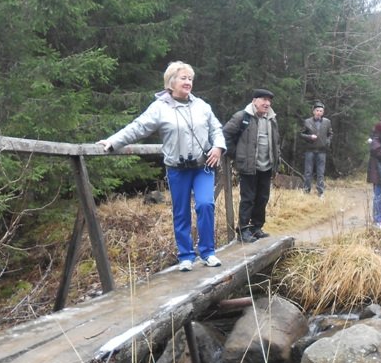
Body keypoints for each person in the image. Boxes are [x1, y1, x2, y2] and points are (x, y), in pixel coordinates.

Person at [97, 61, 225, 272]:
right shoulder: (159, 108)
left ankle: (208, 252)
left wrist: (218, 147)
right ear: (171, 82)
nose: (188, 82)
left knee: (205, 205)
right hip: (177, 168)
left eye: (190, 79)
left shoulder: (202, 106)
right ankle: (186, 256)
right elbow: (138, 128)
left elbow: (216, 129)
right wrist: (113, 141)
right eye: (183, 78)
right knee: (181, 211)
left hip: (203, 166)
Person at [223, 88, 280, 244]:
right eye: (263, 99)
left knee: (262, 198)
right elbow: (226, 135)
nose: (267, 103)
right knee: (248, 198)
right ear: (254, 100)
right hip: (248, 166)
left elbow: (275, 142)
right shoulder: (242, 117)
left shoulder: (272, 119)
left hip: (266, 166)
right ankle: (243, 230)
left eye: (269, 100)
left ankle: (256, 227)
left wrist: (276, 161)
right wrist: (236, 155)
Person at [300, 101, 333, 197]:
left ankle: (321, 192)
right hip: (310, 150)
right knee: (308, 172)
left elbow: (330, 134)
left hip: (322, 151)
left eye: (321, 111)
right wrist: (309, 137)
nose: (319, 112)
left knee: (320, 173)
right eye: (317, 110)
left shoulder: (327, 122)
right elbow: (301, 134)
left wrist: (328, 141)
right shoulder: (307, 121)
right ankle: (306, 191)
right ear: (313, 111)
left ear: (323, 112)